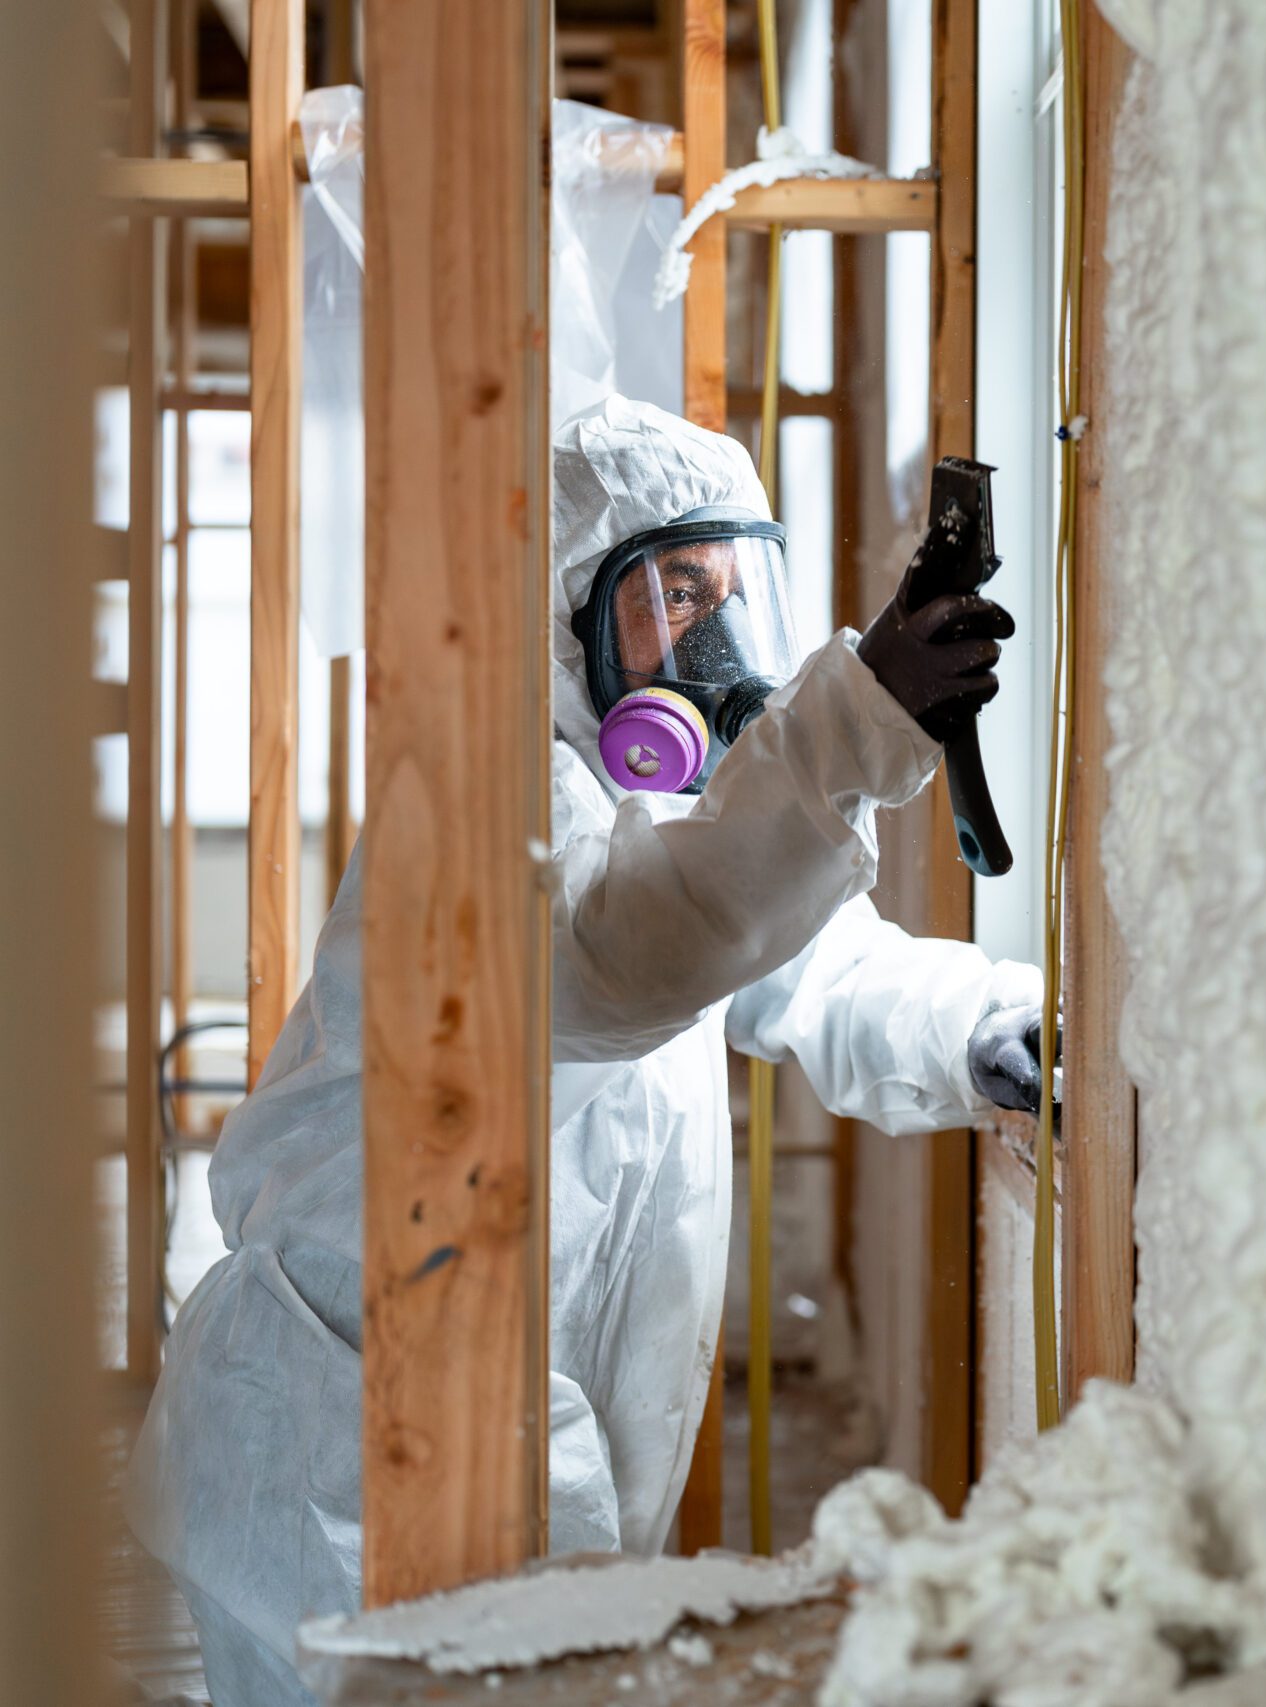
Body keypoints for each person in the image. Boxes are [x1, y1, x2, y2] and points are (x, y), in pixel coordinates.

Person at [128, 397, 1055, 1705]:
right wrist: (851, 722)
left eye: (737, 595)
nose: (713, 643)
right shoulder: (480, 803)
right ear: (560, 617)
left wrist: (981, 1027)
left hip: (475, 1434)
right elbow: (630, 953)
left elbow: (803, 962)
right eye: (671, 595)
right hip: (337, 1454)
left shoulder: (660, 825)